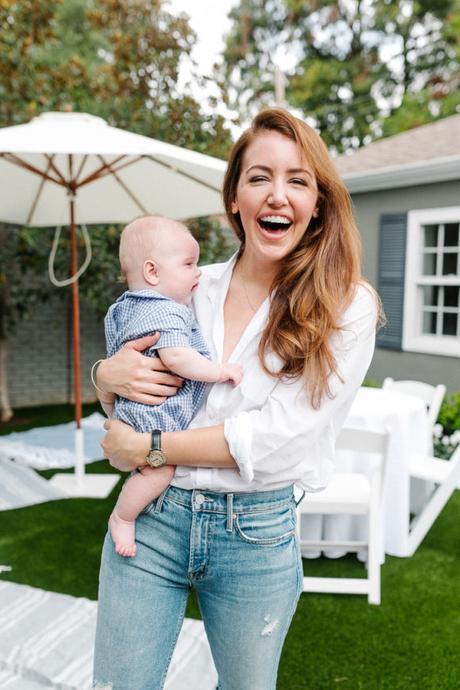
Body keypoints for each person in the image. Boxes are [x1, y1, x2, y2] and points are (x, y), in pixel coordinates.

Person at [92, 107, 379, 690]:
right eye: (259, 177)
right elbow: (137, 385)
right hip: (154, 517)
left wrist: (147, 446)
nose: (278, 195)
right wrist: (104, 378)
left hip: (257, 531)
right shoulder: (191, 286)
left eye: (298, 180)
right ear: (234, 199)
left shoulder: (348, 307)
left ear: (318, 202)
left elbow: (276, 440)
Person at [103, 216, 243, 557]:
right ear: (153, 272)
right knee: (159, 471)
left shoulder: (124, 307)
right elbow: (179, 358)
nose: (198, 272)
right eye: (189, 264)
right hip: (154, 416)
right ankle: (123, 516)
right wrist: (218, 370)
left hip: (128, 408)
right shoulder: (165, 311)